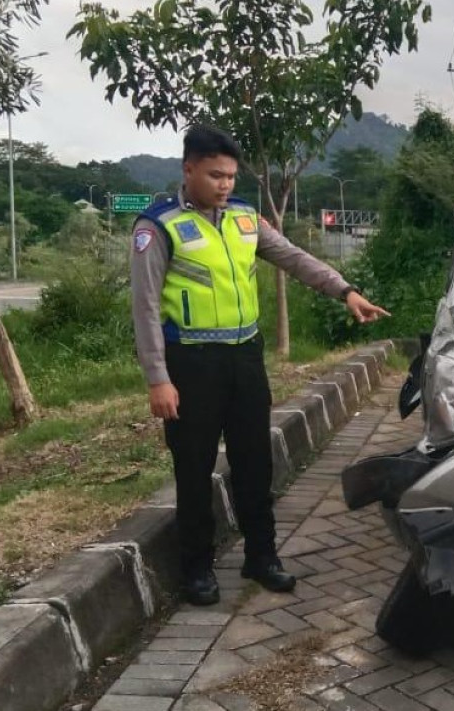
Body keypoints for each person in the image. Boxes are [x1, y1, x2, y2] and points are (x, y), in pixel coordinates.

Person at [130, 124, 389, 606]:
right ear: (188, 169)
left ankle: (262, 556)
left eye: (230, 176)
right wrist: (157, 379)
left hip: (244, 358)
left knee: (255, 461)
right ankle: (197, 569)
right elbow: (144, 308)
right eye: (215, 175)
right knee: (194, 467)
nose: (225, 185)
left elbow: (293, 258)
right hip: (191, 363)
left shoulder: (246, 219)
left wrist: (345, 291)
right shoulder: (157, 226)